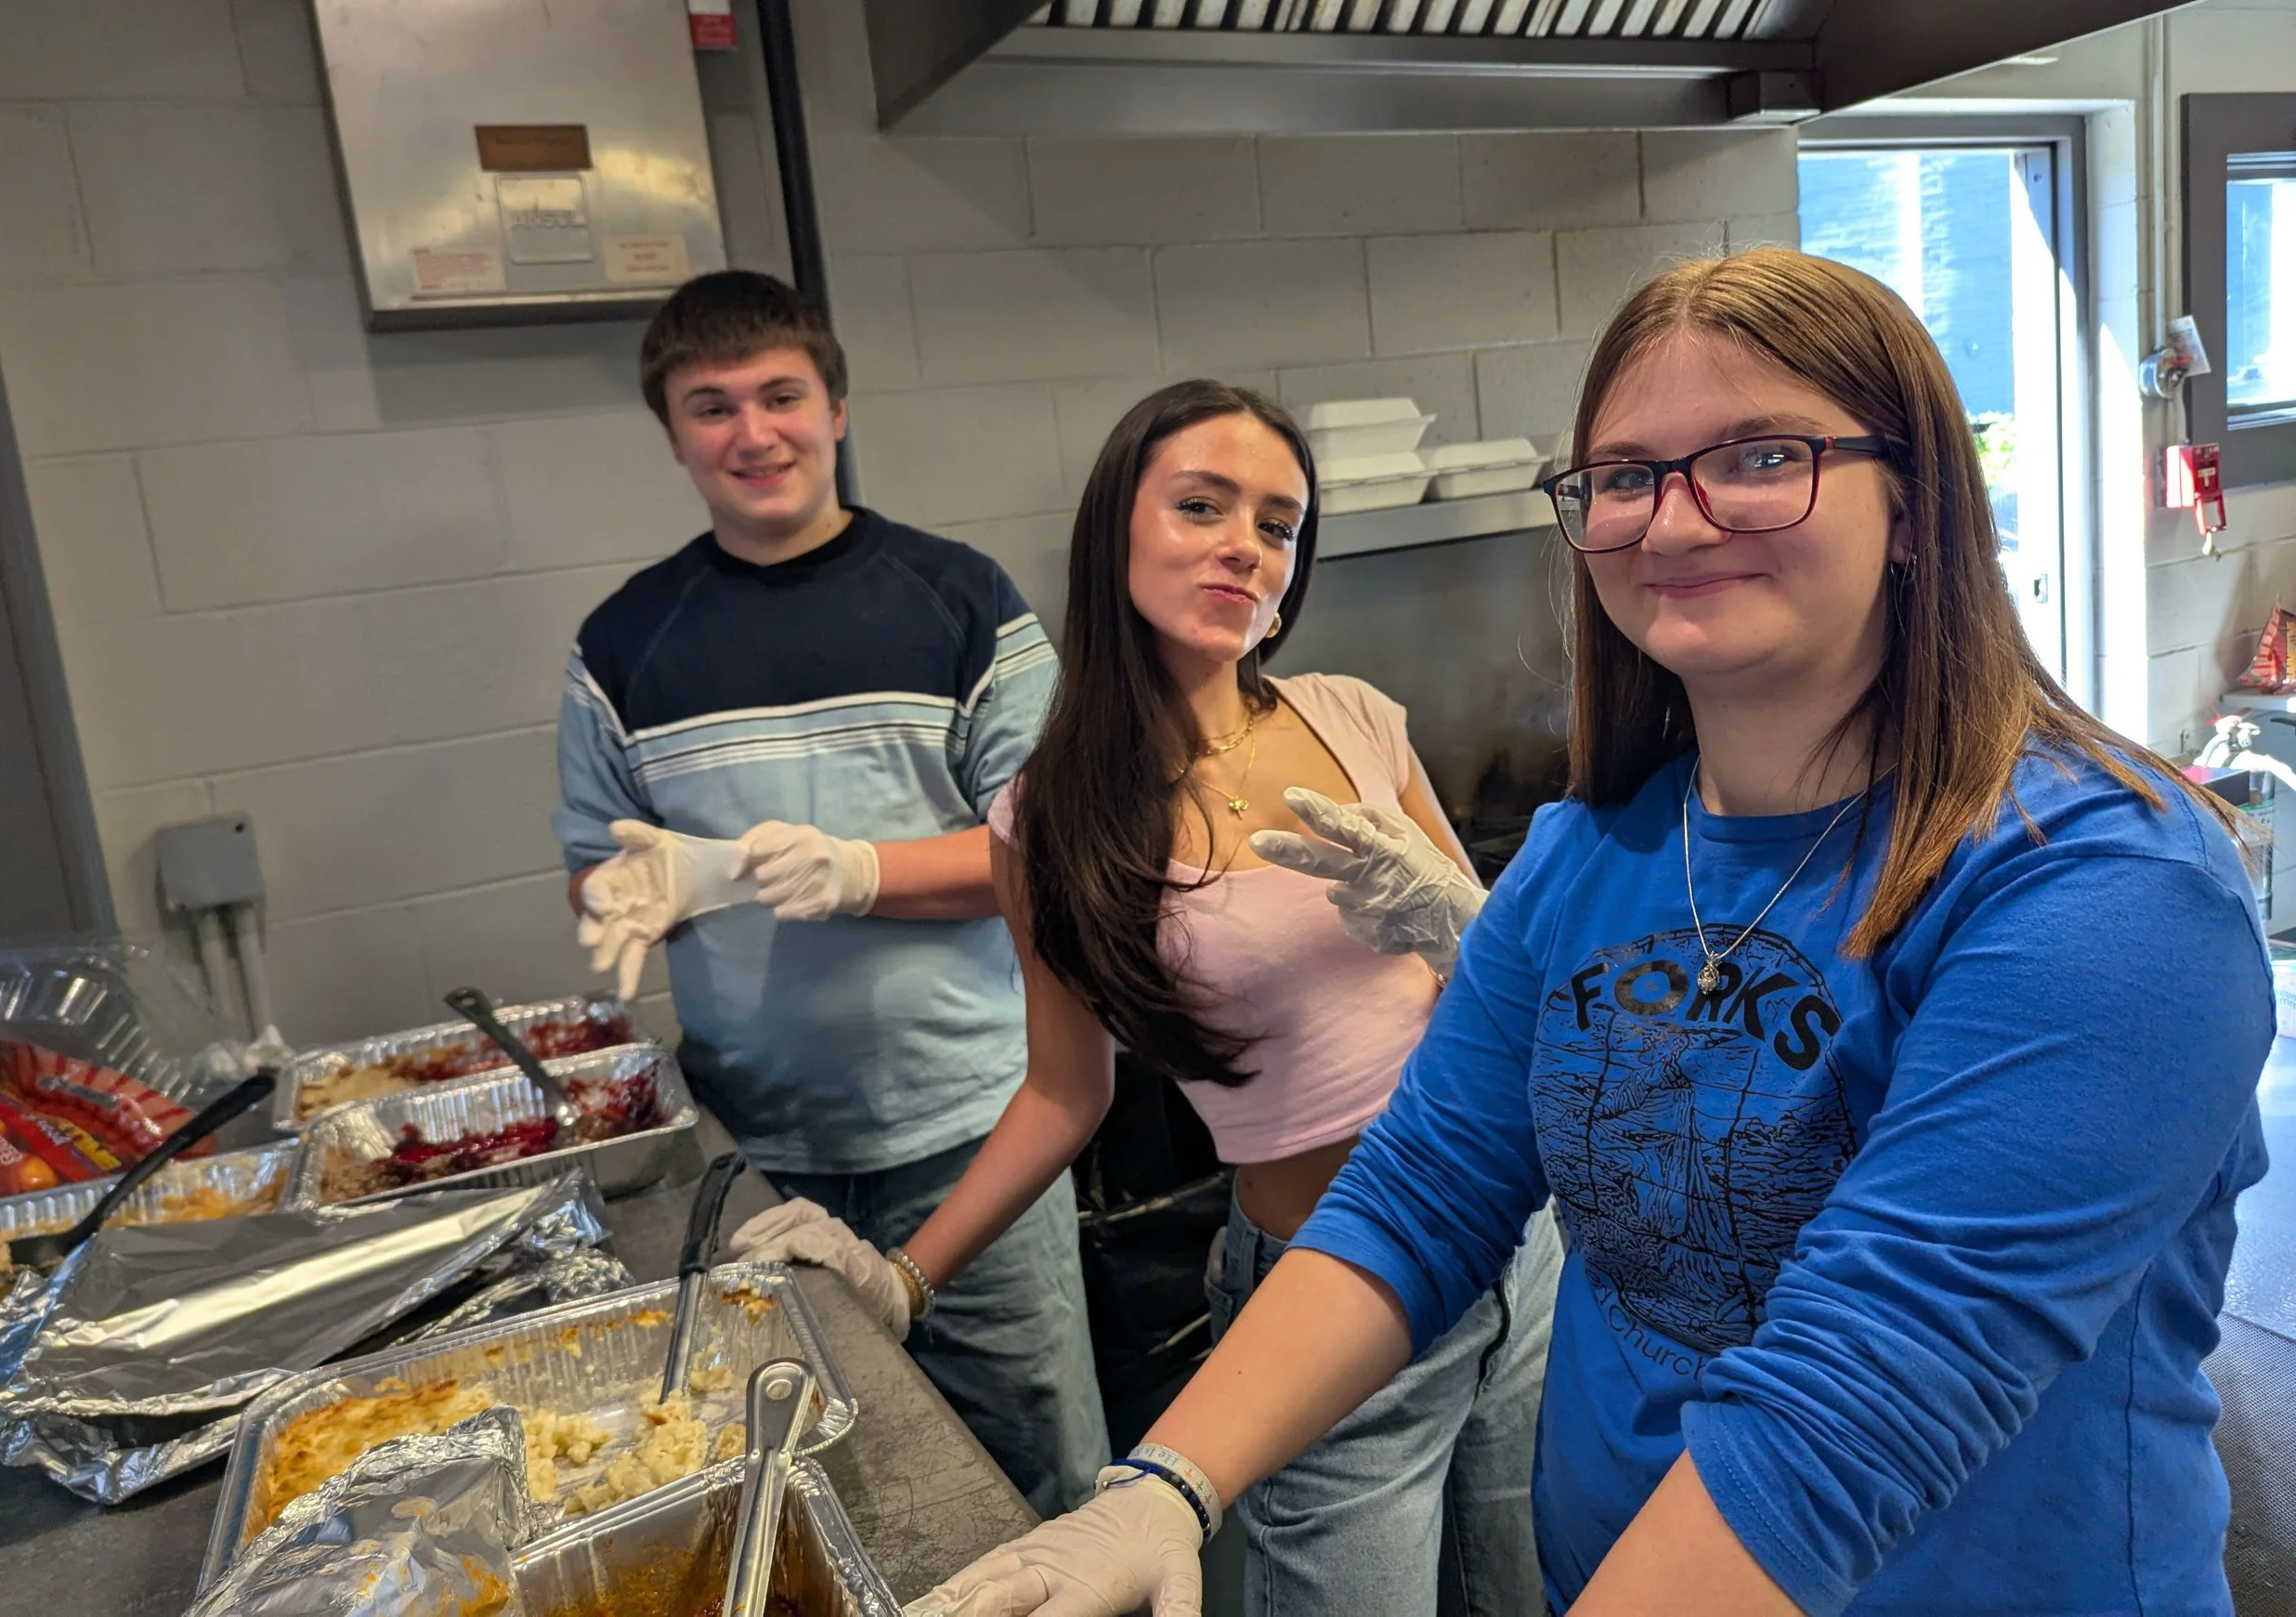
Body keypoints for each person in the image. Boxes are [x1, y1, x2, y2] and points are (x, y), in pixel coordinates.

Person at [899, 247, 2277, 1617]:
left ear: (1914, 505)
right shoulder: (1585, 854)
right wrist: (1166, 1482)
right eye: (1624, 477)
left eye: (1757, 457)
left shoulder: (2104, 886)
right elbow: (1421, 1189)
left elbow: (1851, 1410)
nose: (1671, 524)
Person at [736, 379, 1561, 1616]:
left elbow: (1512, 994)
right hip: (1327, 1301)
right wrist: (908, 1274)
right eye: (1201, 505)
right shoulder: (1051, 815)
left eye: (1278, 525)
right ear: (1118, 528)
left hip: (1520, 1253)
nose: (1245, 543)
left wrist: (1472, 922)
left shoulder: (1356, 719)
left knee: (1538, 1594)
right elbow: (1068, 1090)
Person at [551, 269, 1107, 1516]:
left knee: (1036, 1485)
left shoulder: (961, 603)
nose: (753, 433)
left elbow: (1062, 853)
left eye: (779, 395)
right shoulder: (623, 645)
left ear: (836, 406)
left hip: (973, 1137)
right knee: (821, 1498)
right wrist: (670, 880)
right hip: (755, 1156)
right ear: (673, 433)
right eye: (712, 406)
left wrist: (857, 873)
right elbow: (601, 878)